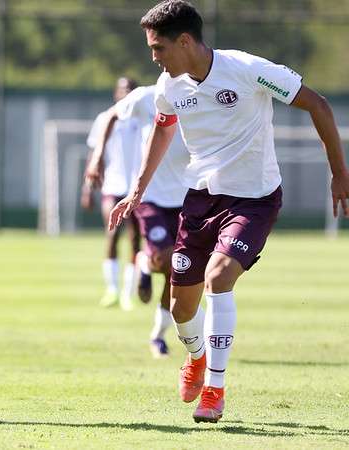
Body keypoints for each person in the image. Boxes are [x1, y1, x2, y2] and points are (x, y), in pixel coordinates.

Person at [110, 0, 349, 423]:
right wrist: (137, 190)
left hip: (254, 199)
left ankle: (215, 390)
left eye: (158, 48)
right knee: (181, 309)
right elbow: (163, 129)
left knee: (220, 276)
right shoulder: (169, 86)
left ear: (184, 41)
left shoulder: (247, 69)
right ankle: (197, 359)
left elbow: (319, 105)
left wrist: (339, 173)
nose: (154, 57)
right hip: (200, 200)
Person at [100, 84, 190, 358]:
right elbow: (112, 115)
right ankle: (146, 261)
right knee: (164, 259)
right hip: (150, 196)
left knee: (179, 271)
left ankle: (158, 335)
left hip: (187, 197)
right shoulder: (145, 96)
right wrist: (95, 161)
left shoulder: (202, 95)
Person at [82, 77, 142, 311]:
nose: (125, 93)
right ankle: (112, 290)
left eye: (129, 89)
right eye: (121, 89)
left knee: (136, 239)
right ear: (116, 93)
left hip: (137, 189)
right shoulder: (104, 118)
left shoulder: (143, 117)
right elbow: (94, 154)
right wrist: (87, 188)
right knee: (112, 234)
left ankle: (128, 294)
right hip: (112, 187)